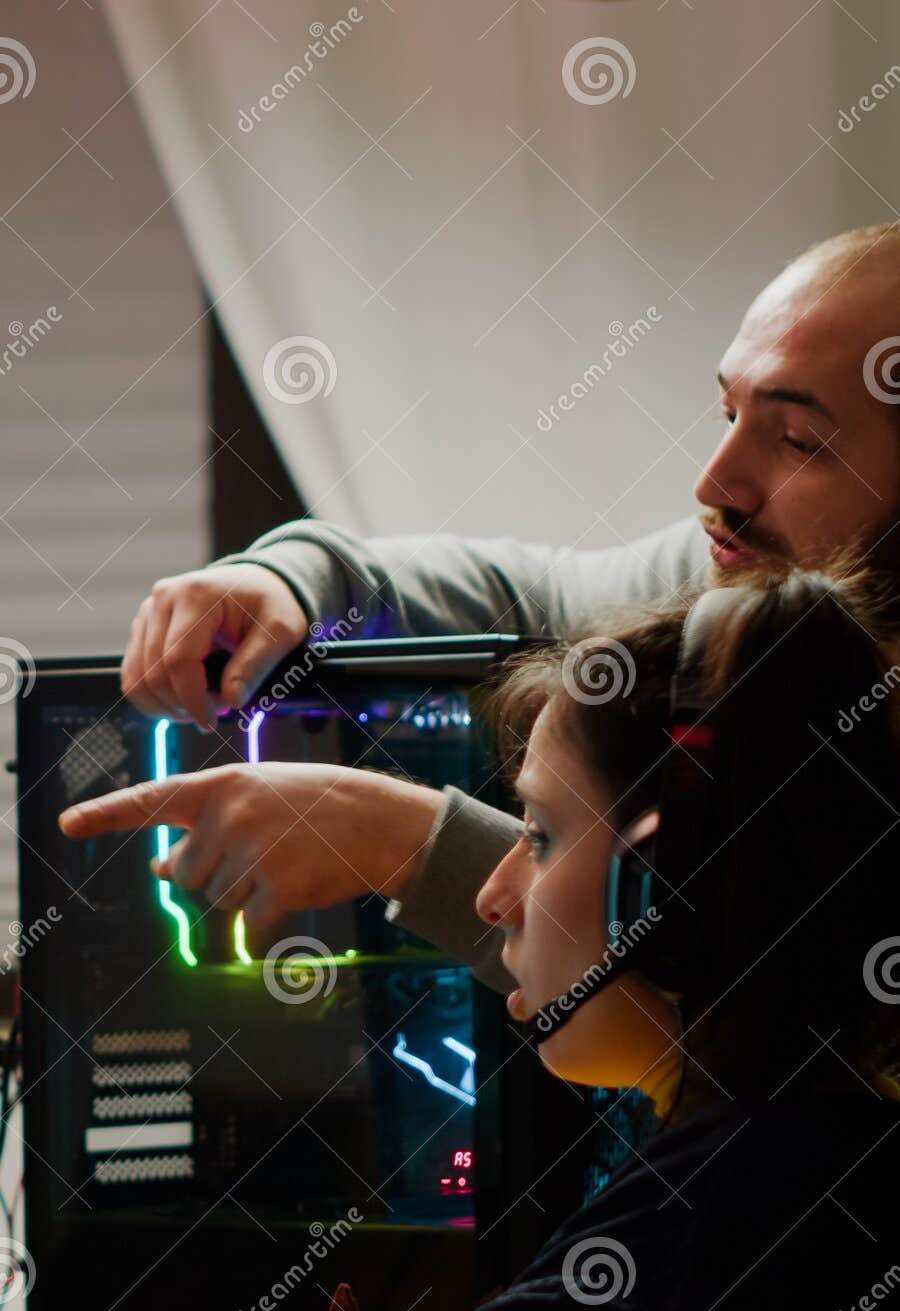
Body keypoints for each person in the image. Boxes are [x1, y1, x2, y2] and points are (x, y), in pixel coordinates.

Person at [2, 566, 899, 1311]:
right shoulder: (804, 1150)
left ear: (673, 890)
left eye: (542, 835)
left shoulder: (731, 1201)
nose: (493, 892)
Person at [59, 223, 900, 992]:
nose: (713, 485)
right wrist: (291, 579)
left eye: (799, 443)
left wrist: (405, 842)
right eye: (726, 411)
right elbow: (531, 599)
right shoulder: (733, 579)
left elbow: (762, 995)